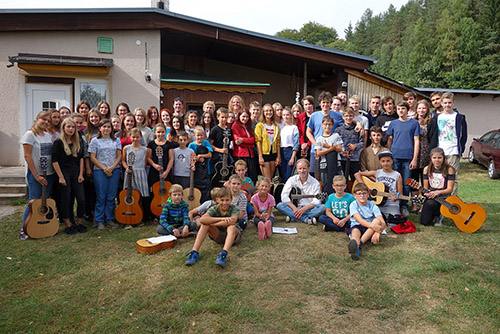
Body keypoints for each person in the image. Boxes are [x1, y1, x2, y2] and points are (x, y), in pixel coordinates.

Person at [185, 187, 242, 268]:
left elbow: (232, 221)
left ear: (231, 199)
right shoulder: (214, 208)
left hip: (234, 237)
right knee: (205, 225)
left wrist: (213, 223)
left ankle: (223, 254)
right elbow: (202, 220)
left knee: (231, 227)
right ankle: (194, 252)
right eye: (222, 200)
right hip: (219, 235)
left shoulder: (234, 208)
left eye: (227, 200)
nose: (224, 203)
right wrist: (222, 219)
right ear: (217, 200)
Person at [20, 111, 55, 240]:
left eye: (48, 121)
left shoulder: (48, 135)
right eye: (43, 119)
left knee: (44, 200)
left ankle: (39, 226)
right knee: (33, 201)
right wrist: (36, 175)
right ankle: (24, 229)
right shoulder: (30, 135)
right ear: (37, 119)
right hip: (37, 174)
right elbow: (27, 156)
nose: (46, 122)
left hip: (49, 173)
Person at [51, 118, 86, 234]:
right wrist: (60, 176)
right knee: (66, 199)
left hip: (76, 172)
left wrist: (81, 174)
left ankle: (79, 221)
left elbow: (81, 159)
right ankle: (67, 223)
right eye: (68, 127)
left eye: (73, 127)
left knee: (81, 199)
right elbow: (54, 161)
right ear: (64, 128)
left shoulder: (78, 141)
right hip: (63, 172)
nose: (71, 129)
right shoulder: (58, 142)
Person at [387, 101, 420, 216]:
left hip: (408, 157)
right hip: (395, 156)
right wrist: (389, 155)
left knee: (406, 183)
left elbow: (416, 141)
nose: (401, 111)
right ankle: (396, 204)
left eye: (403, 109)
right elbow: (390, 140)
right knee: (395, 182)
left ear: (407, 110)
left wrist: (414, 158)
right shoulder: (393, 123)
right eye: (399, 109)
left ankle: (404, 205)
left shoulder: (414, 123)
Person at [88, 119, 122, 230]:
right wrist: (104, 168)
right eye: (104, 127)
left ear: (111, 129)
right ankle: (99, 220)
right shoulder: (95, 141)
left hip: (114, 170)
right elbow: (92, 157)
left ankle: (109, 218)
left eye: (108, 127)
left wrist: (111, 168)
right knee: (101, 196)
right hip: (99, 171)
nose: (106, 129)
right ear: (100, 128)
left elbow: (119, 156)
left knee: (111, 196)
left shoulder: (116, 140)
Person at [355, 151, 403, 223]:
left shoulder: (397, 175)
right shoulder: (377, 172)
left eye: (388, 161)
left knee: (394, 223)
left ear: (392, 161)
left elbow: (400, 193)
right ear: (380, 162)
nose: (385, 163)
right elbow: (357, 174)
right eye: (383, 161)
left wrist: (396, 197)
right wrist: (364, 186)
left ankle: (384, 216)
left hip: (391, 204)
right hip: (376, 203)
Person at [436, 92, 467, 196]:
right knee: (440, 177)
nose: (447, 105)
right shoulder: (437, 117)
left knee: (452, 177)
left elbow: (464, 136)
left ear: (453, 102)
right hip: (440, 151)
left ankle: (452, 202)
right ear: (441, 103)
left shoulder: (459, 117)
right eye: (445, 103)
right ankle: (441, 200)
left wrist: (460, 149)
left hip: (453, 150)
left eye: (449, 102)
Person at [276, 159, 325, 224]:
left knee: (323, 208)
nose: (302, 171)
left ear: (308, 168)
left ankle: (293, 217)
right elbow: (284, 196)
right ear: (297, 169)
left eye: (304, 168)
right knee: (280, 205)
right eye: (300, 168)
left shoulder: (315, 182)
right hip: (294, 208)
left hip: (309, 209)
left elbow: (317, 200)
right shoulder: (292, 179)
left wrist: (304, 209)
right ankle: (307, 219)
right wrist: (295, 209)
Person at [411, 100, 438, 212]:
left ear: (427, 109)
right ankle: (415, 205)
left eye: (424, 108)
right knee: (414, 181)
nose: (421, 110)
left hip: (426, 154)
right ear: (416, 109)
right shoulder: (412, 121)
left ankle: (423, 205)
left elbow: (433, 139)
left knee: (425, 181)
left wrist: (430, 156)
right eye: (419, 108)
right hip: (414, 153)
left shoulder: (431, 122)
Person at [347, 183, 386, 260]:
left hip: (370, 229)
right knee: (355, 232)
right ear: (354, 195)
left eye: (364, 193)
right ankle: (355, 245)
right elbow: (359, 220)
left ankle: (358, 246)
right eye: (359, 194)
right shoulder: (353, 205)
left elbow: (382, 221)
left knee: (377, 220)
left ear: (368, 194)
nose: (362, 196)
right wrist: (374, 227)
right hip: (358, 225)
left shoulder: (373, 206)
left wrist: (377, 233)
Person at [306, 91, 343, 171]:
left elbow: (347, 121)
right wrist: (316, 144)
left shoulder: (337, 116)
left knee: (330, 174)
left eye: (327, 102)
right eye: (323, 102)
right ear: (320, 103)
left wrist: (357, 123)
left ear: (330, 104)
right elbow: (308, 132)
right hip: (316, 150)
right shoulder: (314, 116)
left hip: (331, 150)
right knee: (315, 174)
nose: (325, 105)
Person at [147, 124, 177, 220]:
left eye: (162, 132)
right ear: (154, 132)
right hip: (154, 172)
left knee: (168, 192)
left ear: (165, 132)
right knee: (154, 192)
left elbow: (171, 159)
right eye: (158, 132)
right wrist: (154, 165)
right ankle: (155, 214)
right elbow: (148, 157)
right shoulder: (151, 144)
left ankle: (168, 213)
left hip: (166, 172)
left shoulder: (169, 144)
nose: (160, 134)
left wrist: (167, 172)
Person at [420, 148, 456, 227]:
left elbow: (449, 189)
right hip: (432, 197)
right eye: (434, 158)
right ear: (431, 158)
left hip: (444, 198)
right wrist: (428, 193)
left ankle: (439, 215)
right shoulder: (426, 169)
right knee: (424, 222)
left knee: (431, 204)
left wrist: (438, 192)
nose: (437, 160)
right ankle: (434, 214)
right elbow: (426, 188)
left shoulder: (450, 169)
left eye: (439, 158)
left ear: (443, 158)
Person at [335, 107, 364, 185]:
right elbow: (335, 144)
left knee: (355, 181)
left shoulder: (358, 129)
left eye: (350, 116)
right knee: (343, 180)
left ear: (353, 116)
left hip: (354, 159)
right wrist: (341, 152)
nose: (348, 118)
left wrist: (355, 146)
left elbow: (362, 143)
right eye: (346, 116)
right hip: (342, 159)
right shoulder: (338, 130)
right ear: (343, 117)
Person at [314, 115, 342, 194]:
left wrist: (328, 147)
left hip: (336, 164)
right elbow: (318, 153)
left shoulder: (336, 136)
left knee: (339, 182)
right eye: (325, 124)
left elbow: (339, 149)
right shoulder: (319, 138)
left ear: (332, 125)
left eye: (329, 124)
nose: (327, 126)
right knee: (326, 184)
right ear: (322, 125)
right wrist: (331, 149)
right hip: (324, 165)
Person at [255, 103, 281, 179]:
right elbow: (258, 141)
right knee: (267, 179)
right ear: (263, 112)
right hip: (264, 153)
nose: (268, 113)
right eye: (266, 111)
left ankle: (270, 191)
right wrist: (260, 156)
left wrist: (278, 156)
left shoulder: (276, 126)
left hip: (273, 153)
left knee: (271, 179)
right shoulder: (260, 125)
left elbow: (278, 142)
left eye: (270, 111)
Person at [231, 108, 257, 183]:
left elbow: (253, 140)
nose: (245, 119)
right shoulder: (235, 126)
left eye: (247, 117)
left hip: (249, 154)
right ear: (239, 116)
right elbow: (237, 141)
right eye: (243, 116)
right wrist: (248, 142)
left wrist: (243, 140)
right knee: (241, 177)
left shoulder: (249, 126)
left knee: (252, 177)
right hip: (240, 154)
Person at [209, 107, 233, 187]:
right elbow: (210, 144)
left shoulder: (229, 130)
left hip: (227, 157)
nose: (224, 119)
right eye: (222, 117)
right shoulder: (214, 129)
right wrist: (220, 150)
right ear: (218, 117)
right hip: (217, 156)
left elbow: (231, 142)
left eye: (226, 117)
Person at [188, 126, 213, 202]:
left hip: (205, 169)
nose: (200, 137)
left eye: (201, 135)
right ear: (194, 135)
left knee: (206, 187)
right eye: (198, 135)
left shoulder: (206, 143)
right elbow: (190, 157)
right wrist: (197, 159)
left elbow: (209, 155)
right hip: (195, 170)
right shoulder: (191, 145)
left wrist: (201, 156)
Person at [279, 107, 299, 181]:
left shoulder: (294, 127)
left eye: (287, 115)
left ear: (291, 115)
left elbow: (296, 143)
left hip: (290, 151)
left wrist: (292, 157)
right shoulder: (280, 127)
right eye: (284, 115)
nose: (286, 117)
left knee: (288, 176)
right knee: (283, 175)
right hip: (281, 151)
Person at [297, 95, 315, 161]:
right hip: (303, 146)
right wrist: (302, 144)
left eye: (309, 104)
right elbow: (299, 132)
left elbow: (316, 132)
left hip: (313, 144)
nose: (308, 106)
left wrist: (308, 144)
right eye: (306, 104)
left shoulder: (316, 115)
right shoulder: (300, 117)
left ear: (313, 105)